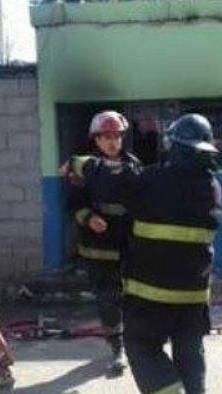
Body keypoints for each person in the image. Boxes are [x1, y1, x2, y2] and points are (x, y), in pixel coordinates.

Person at [68, 113, 222, 394]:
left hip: (152, 293)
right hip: (195, 294)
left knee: (140, 345)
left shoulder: (152, 181)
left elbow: (112, 182)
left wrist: (81, 164)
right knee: (189, 349)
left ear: (174, 147)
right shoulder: (212, 187)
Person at [69, 110, 140, 376]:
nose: (112, 142)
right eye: (106, 137)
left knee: (133, 297)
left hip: (127, 244)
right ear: (96, 140)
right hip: (97, 247)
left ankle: (136, 343)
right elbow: (74, 203)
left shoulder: (134, 166)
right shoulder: (86, 169)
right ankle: (116, 348)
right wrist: (88, 218)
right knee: (108, 299)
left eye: (117, 136)